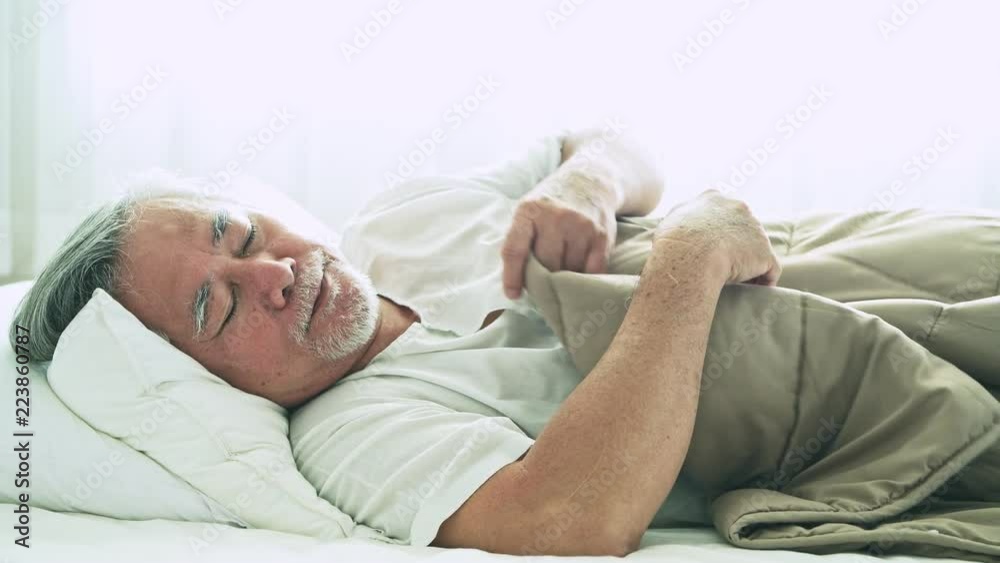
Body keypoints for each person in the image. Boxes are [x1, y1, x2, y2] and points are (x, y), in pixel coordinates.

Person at [10, 127, 781, 556]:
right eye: (219, 307)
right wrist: (691, 258)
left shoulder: (396, 218)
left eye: (240, 233)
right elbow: (569, 521)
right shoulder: (350, 437)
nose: (275, 270)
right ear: (196, 376)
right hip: (815, 374)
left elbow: (617, 147)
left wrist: (588, 182)